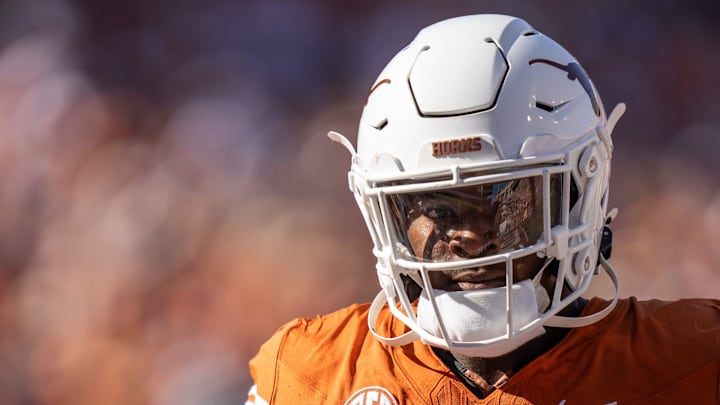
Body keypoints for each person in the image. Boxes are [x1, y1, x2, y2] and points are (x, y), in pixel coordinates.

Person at [246, 14, 720, 404]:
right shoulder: (310, 377)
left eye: (506, 200)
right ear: (388, 215)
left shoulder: (694, 360)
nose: (473, 237)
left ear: (578, 197)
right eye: (440, 208)